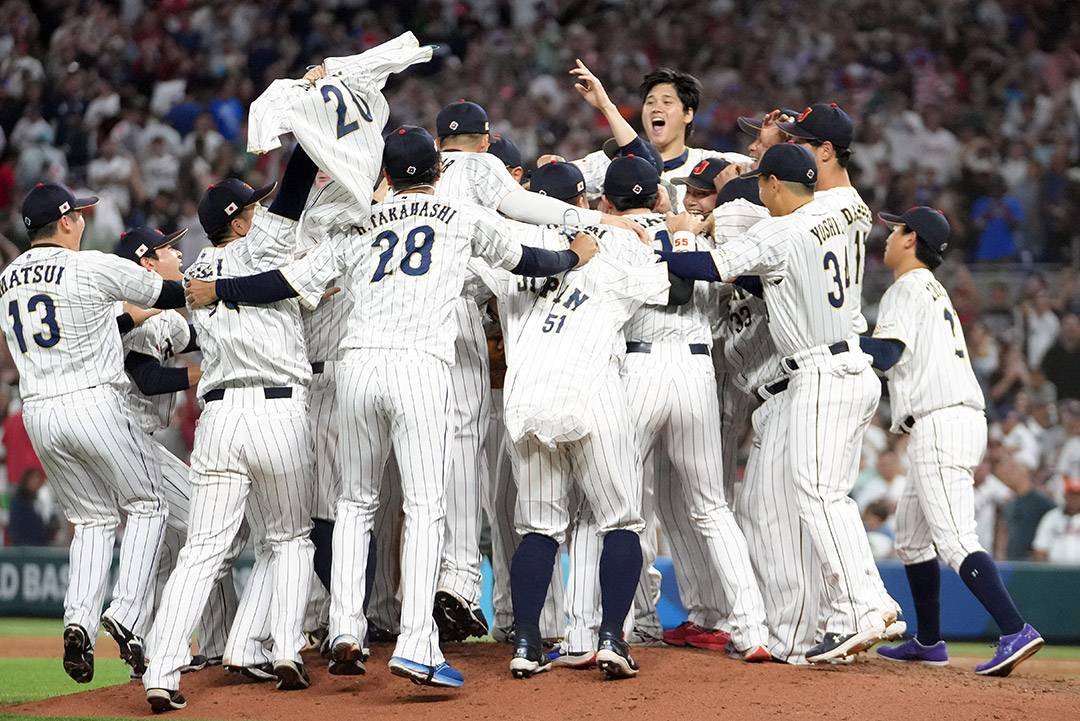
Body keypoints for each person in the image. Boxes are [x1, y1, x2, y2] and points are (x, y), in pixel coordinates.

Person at [187, 126, 600, 689]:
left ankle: (346, 630)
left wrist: (223, 291)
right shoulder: (457, 215)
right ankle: (415, 642)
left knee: (355, 503)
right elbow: (528, 258)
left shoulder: (361, 223)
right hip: (418, 366)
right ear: (435, 171)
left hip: (356, 367)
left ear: (385, 175)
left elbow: (287, 279)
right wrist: (575, 253)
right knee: (425, 507)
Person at [660, 143, 894, 663]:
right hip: (846, 363)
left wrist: (673, 234)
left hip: (817, 372)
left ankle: (864, 604)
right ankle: (820, 627)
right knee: (789, 506)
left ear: (770, 184)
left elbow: (708, 266)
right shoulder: (836, 213)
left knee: (818, 496)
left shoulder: (779, 230)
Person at [141, 140, 322, 712]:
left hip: (218, 418)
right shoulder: (263, 242)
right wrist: (308, 123)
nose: (261, 212)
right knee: (290, 536)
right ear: (240, 221)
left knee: (202, 551)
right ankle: (287, 647)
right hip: (277, 411)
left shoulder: (197, 269)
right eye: (252, 208)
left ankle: (161, 669)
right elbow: (295, 184)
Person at [1, 182, 186, 685]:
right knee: (149, 505)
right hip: (94, 401)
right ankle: (126, 614)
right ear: (64, 222)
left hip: (38, 412)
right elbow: (165, 292)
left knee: (93, 520)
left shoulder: (8, 278)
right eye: (79, 214)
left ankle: (77, 622)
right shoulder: (90, 264)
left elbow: (110, 319)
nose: (83, 220)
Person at [864, 205, 1044, 676]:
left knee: (956, 539)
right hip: (949, 419)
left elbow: (886, 353)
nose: (888, 235)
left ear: (912, 239)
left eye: (896, 229)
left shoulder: (906, 286)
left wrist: (841, 339)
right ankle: (928, 640)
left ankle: (1014, 628)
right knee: (910, 538)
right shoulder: (931, 288)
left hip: (941, 421)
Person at [113, 226, 245, 672]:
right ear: (147, 263)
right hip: (121, 439)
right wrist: (212, 375)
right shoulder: (121, 312)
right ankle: (216, 641)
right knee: (209, 526)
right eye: (169, 248)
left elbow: (205, 336)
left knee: (171, 551)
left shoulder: (164, 315)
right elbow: (147, 379)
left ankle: (145, 651)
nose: (177, 251)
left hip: (140, 441)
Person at [1031, 477, 1080, 563]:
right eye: (1071, 495)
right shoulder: (1052, 517)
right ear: (1065, 496)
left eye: (1077, 495)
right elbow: (1040, 548)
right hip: (1056, 571)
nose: (1074, 499)